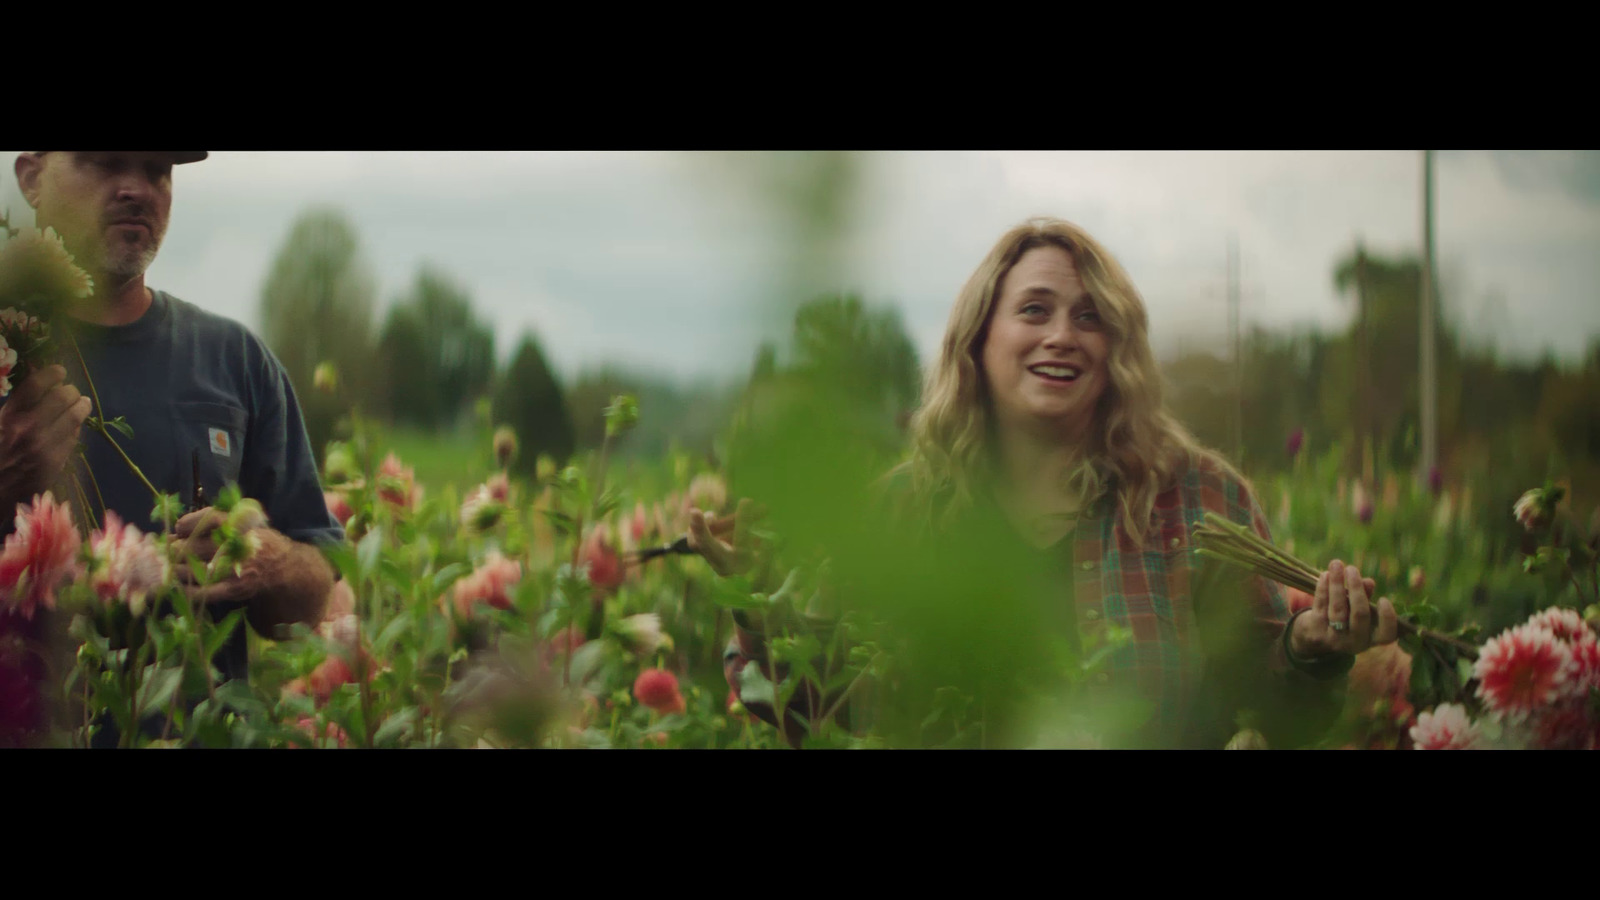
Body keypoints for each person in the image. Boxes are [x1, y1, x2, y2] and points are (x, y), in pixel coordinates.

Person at [691, 217, 1399, 749]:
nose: (1063, 334)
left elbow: (1274, 711)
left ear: (1116, 349)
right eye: (1035, 309)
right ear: (979, 338)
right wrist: (759, 612)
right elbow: (817, 721)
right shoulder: (899, 517)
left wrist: (1308, 652)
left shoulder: (1196, 504)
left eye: (1090, 317)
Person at [1, 151, 342, 745]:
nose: (136, 188)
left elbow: (311, 602)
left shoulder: (236, 362)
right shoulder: (11, 352)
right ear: (31, 178)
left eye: (158, 169)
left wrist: (268, 561)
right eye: (106, 162)